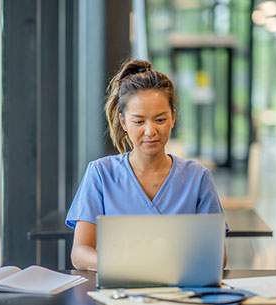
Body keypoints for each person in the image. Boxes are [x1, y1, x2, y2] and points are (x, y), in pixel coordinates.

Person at [65, 59, 227, 271]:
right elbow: (80, 253)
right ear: (123, 122)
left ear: (173, 118)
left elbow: (217, 257)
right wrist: (125, 266)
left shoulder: (198, 178)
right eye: (139, 122)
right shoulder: (101, 174)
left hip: (180, 294)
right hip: (119, 294)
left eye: (160, 120)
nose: (150, 131)